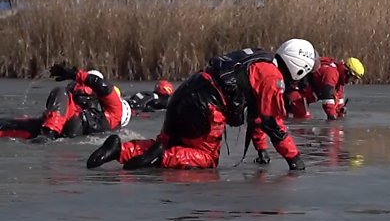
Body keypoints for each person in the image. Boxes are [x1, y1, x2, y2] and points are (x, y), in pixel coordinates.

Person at [86, 39, 318, 171]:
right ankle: (161, 157)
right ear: (299, 66)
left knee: (172, 142)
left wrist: (261, 149)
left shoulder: (260, 60)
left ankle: (120, 149)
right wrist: (294, 159)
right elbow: (272, 123)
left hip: (187, 92)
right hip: (206, 107)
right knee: (206, 159)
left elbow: (257, 117)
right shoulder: (272, 77)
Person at [0, 66, 130, 141]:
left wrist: (75, 74)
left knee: (60, 92)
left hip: (67, 124)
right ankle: (47, 132)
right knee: (15, 125)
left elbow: (102, 86)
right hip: (67, 127)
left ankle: (49, 132)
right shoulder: (107, 120)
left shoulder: (114, 110)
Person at [285, 56, 365, 120]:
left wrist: (340, 113)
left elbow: (338, 102)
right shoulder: (331, 73)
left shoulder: (339, 81)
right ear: (348, 73)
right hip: (296, 93)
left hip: (303, 96)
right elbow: (328, 99)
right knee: (303, 119)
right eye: (354, 78)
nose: (353, 82)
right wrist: (333, 120)